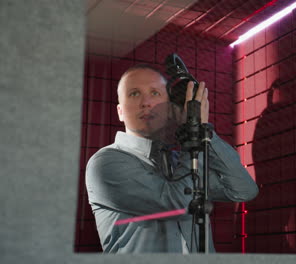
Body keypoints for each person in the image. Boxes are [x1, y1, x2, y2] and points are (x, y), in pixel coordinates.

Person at [85, 64, 258, 253]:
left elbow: (244, 190)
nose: (146, 103)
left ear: (169, 109)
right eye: (134, 93)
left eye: (155, 93)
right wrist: (192, 135)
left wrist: (203, 130)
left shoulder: (181, 160)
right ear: (120, 111)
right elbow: (179, 203)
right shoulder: (105, 163)